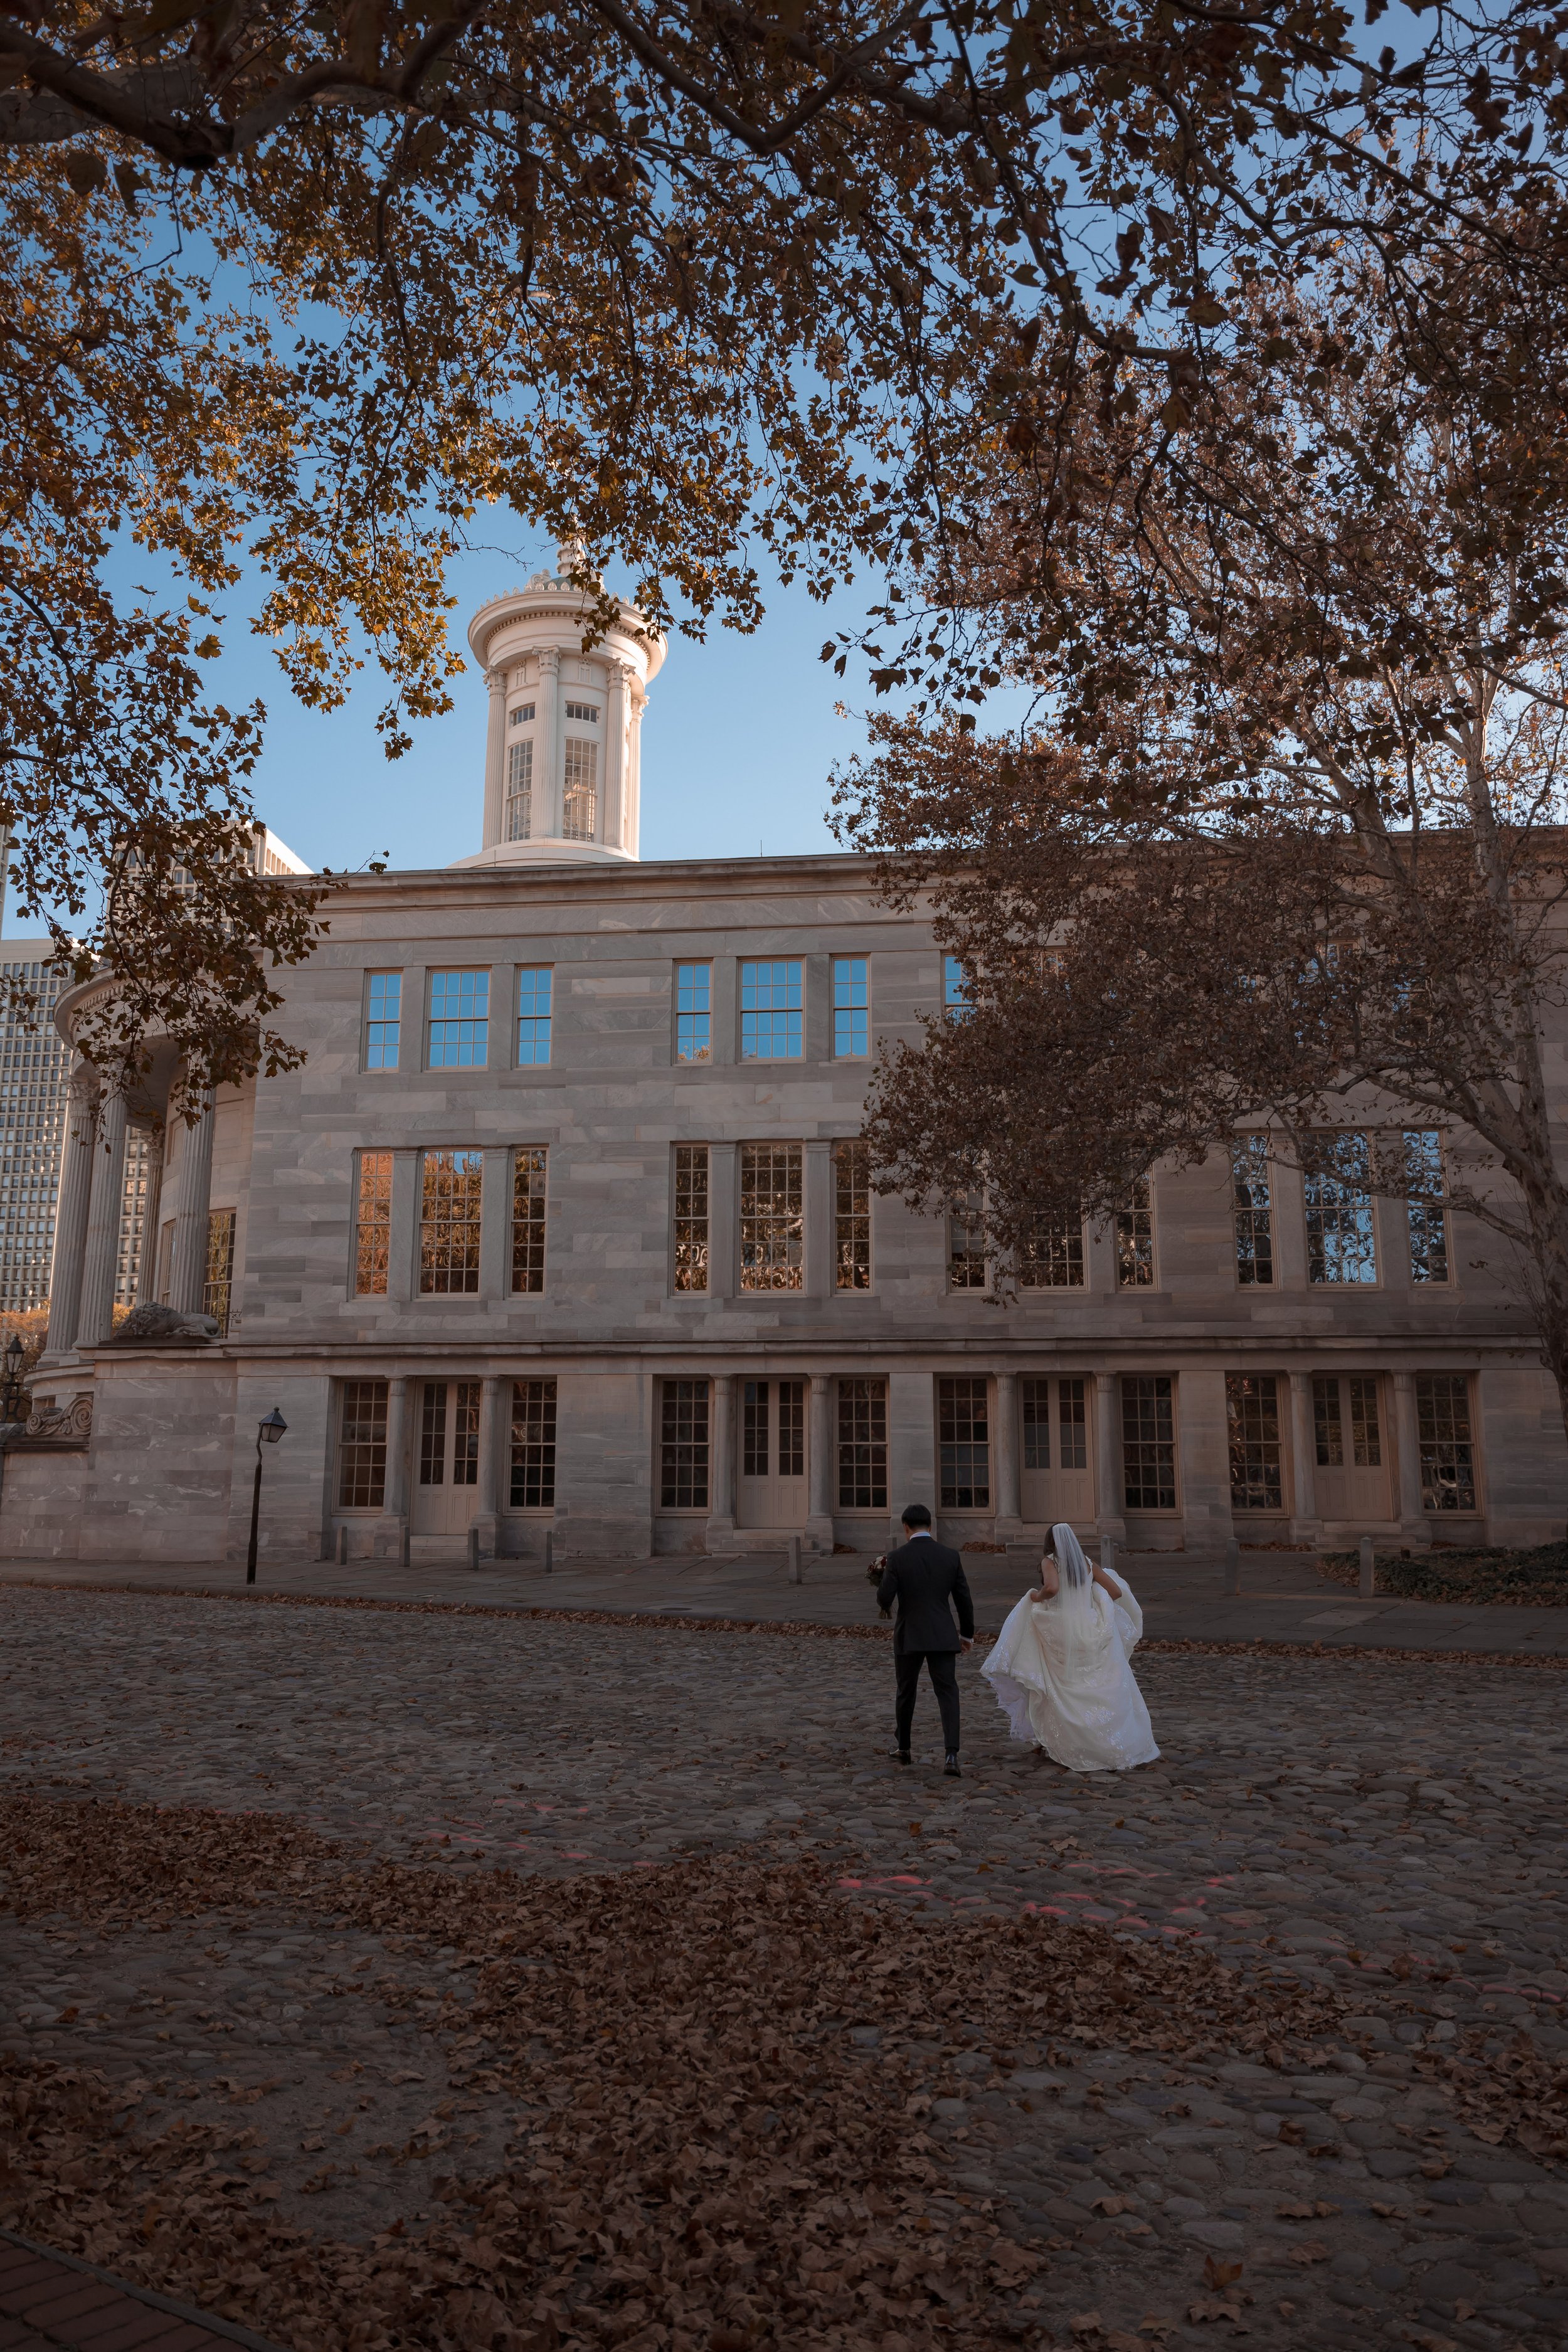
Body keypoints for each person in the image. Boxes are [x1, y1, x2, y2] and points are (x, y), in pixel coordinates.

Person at [980, 1522, 1160, 1772]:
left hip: (1060, 1629)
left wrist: (1036, 1596)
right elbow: (1116, 1592)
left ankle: (1057, 1741)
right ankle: (1108, 1741)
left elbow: (1052, 1588)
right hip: (1091, 1628)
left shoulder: (1050, 1561)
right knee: (1096, 1684)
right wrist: (1093, 1596)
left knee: (1055, 1683)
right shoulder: (1087, 1563)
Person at [876, 1503, 975, 1777]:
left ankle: (904, 1747)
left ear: (905, 1528)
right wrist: (966, 1634)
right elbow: (964, 1600)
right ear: (930, 1526)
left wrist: (881, 1581)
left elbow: (885, 1598)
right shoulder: (950, 1556)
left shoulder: (897, 1557)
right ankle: (952, 1755)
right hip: (942, 1632)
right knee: (948, 1692)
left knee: (906, 1691)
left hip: (910, 1633)